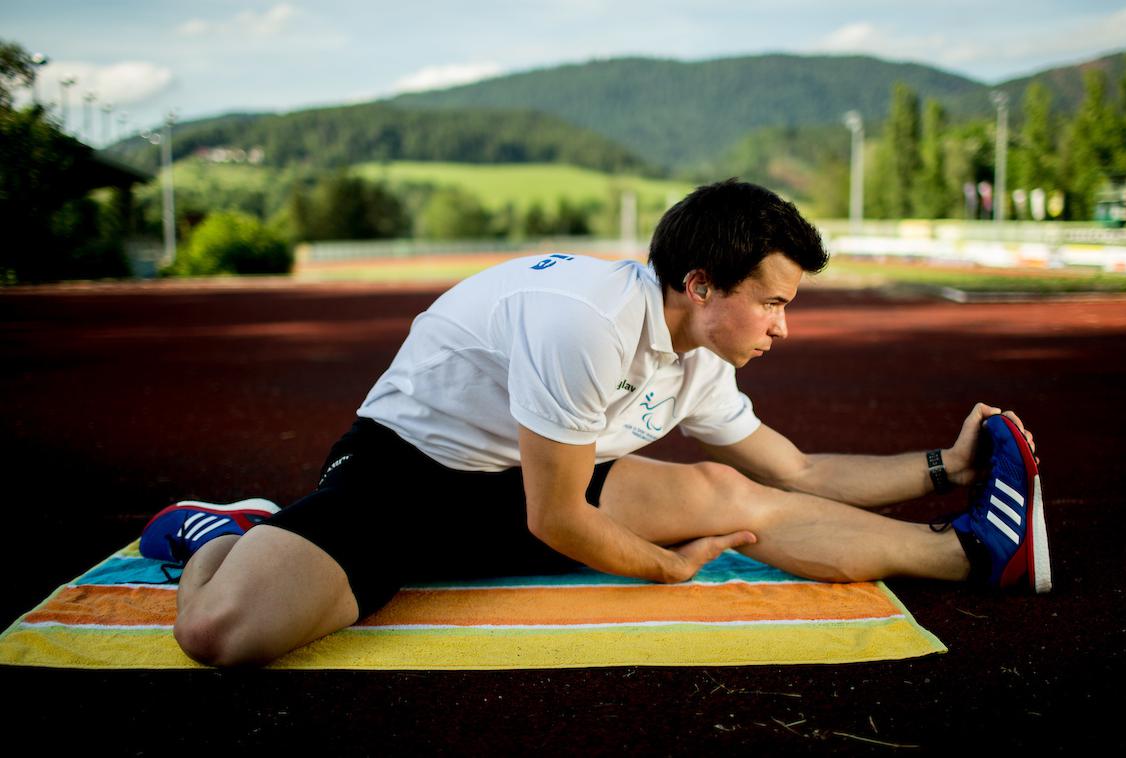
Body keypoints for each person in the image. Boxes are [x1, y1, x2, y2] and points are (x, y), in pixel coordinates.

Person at [140, 179, 1049, 668]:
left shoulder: (699, 349)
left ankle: (970, 552)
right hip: (410, 474)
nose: (783, 326)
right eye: (771, 303)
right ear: (700, 286)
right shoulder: (585, 319)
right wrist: (666, 566)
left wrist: (947, 465)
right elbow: (559, 519)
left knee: (732, 489)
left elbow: (798, 472)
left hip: (540, 481)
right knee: (221, 638)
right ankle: (229, 532)